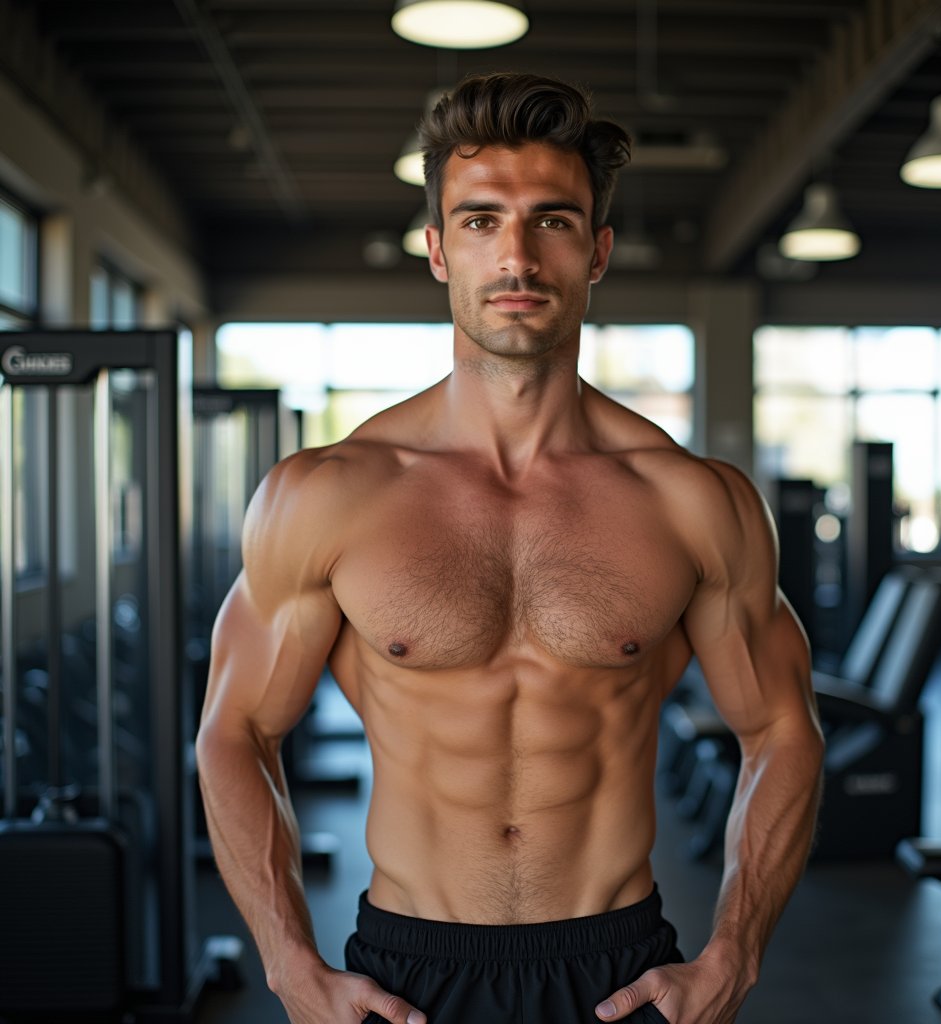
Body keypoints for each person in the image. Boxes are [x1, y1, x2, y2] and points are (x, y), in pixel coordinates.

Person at [196, 72, 824, 1024]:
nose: (518, 256)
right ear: (438, 249)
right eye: (482, 221)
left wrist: (734, 952)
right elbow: (235, 730)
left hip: (616, 968)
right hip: (409, 973)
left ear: (598, 250)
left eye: (553, 221)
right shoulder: (326, 495)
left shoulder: (692, 501)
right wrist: (289, 963)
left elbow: (782, 728)